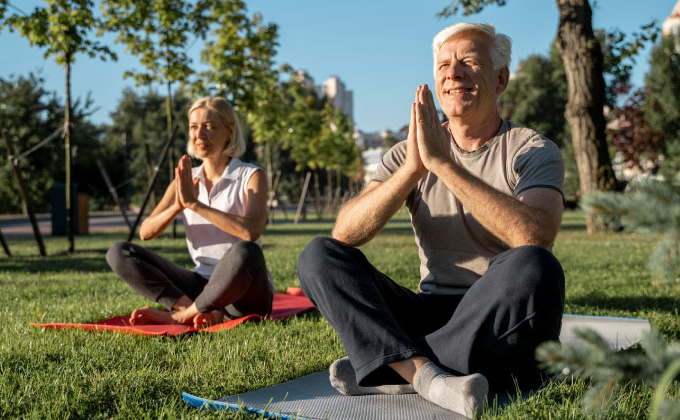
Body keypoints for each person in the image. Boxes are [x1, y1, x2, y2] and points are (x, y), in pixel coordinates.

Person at [297, 23, 565, 417]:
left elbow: (534, 234)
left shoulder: (531, 149)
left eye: (470, 62)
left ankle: (389, 366)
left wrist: (443, 164)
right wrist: (412, 170)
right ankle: (424, 374)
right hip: (430, 311)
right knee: (319, 254)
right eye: (443, 66)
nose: (453, 74)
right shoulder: (409, 153)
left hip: (497, 315)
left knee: (535, 265)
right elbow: (346, 233)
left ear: (501, 77)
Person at [107, 97, 273, 328]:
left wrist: (196, 205)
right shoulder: (186, 181)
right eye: (194, 127)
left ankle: (182, 316)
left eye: (209, 127)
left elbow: (251, 232)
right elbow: (145, 232)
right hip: (200, 283)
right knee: (119, 252)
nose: (199, 134)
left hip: (244, 293)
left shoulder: (251, 176)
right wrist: (179, 204)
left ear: (230, 132)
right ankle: (193, 309)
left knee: (246, 251)